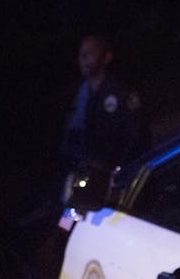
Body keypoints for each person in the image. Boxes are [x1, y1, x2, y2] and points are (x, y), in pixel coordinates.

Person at [58, 32, 150, 181]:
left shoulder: (120, 91)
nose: (84, 58)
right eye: (81, 54)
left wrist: (120, 168)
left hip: (122, 174)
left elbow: (138, 135)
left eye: (90, 53)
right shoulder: (81, 94)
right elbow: (73, 135)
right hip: (91, 175)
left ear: (106, 57)